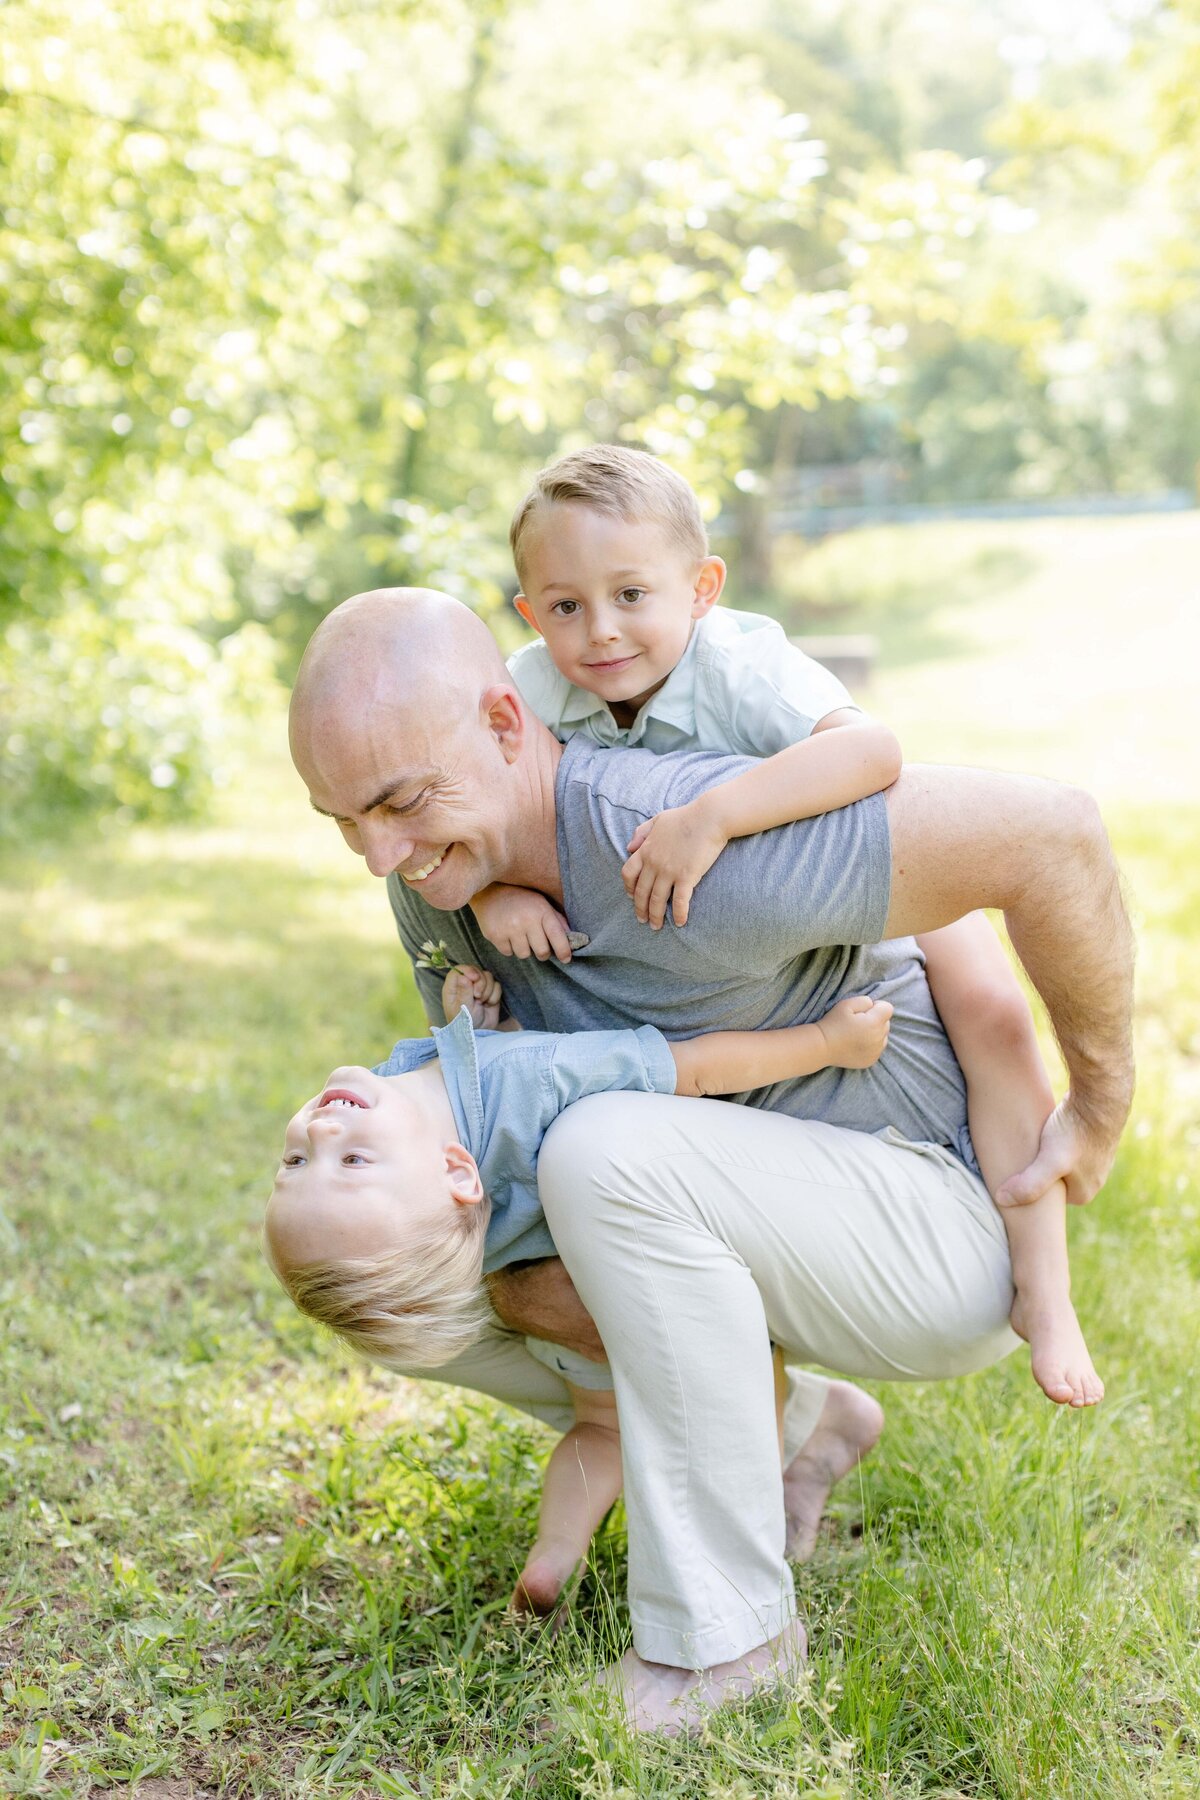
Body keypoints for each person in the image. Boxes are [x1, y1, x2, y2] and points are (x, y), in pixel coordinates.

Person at [286, 583, 1132, 1733]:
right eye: (344, 820)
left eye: (399, 803)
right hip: (770, 1199)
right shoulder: (442, 878)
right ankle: (801, 1434)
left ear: (501, 723)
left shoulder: (683, 841)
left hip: (939, 1218)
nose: (377, 854)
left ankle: (729, 1641)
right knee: (383, 1238)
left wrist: (1099, 1103)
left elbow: (1052, 834)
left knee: (600, 1150)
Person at [474, 443, 1101, 1410]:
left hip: (860, 878)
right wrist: (494, 896)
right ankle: (790, 1402)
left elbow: (871, 751)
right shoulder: (533, 686)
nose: (600, 631)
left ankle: (1046, 1289)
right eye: (565, 606)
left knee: (990, 1009)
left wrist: (711, 817)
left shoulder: (739, 663)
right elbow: (477, 805)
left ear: (702, 587)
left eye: (632, 594)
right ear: (529, 612)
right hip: (731, 958)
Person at [263, 962, 891, 1616]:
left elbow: (482, 1130)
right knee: (733, 1404)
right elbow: (694, 1070)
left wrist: (471, 1029)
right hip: (641, 1294)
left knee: (600, 1431)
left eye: (297, 1162)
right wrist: (826, 1042)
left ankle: (556, 1554)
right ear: (456, 1174)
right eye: (350, 1161)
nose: (320, 1131)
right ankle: (733, 1553)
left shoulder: (419, 1158)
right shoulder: (530, 1079)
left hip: (568, 1319)